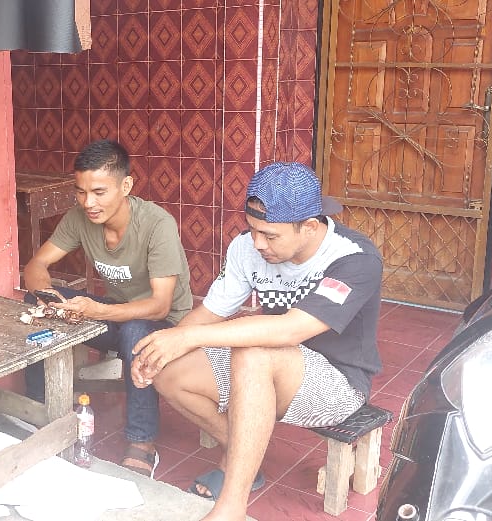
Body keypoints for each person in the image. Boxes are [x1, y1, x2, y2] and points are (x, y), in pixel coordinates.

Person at [132, 162, 383, 520]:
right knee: (169, 369)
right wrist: (168, 344)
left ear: (309, 227)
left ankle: (231, 508)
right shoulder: (247, 247)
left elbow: (290, 331)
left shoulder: (354, 258)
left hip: (338, 384)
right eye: (252, 230)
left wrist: (188, 336)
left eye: (270, 235)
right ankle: (246, 454)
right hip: (266, 367)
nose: (257, 243)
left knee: (255, 352)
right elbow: (212, 311)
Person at [22, 139, 193, 477]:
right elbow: (36, 265)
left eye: (99, 192)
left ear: (125, 186)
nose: (89, 203)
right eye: (81, 192)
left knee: (135, 332)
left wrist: (95, 312)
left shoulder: (157, 224)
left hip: (165, 325)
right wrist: (51, 299)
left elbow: (159, 306)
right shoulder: (79, 218)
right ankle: (40, 411)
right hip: (117, 313)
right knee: (36, 303)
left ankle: (142, 441)